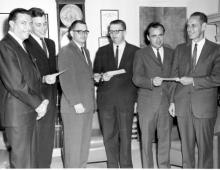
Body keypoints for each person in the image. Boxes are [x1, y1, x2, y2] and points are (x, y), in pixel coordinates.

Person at [169, 12, 220, 168]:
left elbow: (218, 77)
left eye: (193, 25)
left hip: (204, 108)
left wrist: (193, 81)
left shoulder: (216, 49)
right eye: (188, 26)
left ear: (204, 26)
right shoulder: (180, 49)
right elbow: (174, 76)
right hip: (182, 105)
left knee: (205, 151)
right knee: (187, 150)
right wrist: (171, 100)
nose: (189, 29)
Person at [0, 8, 49, 168]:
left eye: (29, 23)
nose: (28, 27)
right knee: (22, 163)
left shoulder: (21, 45)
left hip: (28, 111)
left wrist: (40, 102)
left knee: (31, 160)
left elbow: (32, 79)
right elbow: (16, 83)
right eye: (23, 23)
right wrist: (38, 103)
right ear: (11, 24)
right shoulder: (5, 46)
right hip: (18, 115)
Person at [93, 19, 139, 168]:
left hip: (126, 100)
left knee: (125, 137)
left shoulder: (136, 51)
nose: (113, 34)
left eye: (117, 31)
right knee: (109, 136)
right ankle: (112, 165)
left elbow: (138, 77)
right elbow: (96, 75)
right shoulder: (102, 51)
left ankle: (126, 166)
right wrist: (99, 77)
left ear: (124, 31)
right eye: (111, 31)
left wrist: (137, 100)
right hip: (105, 100)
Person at [132, 22, 174, 168]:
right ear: (148, 37)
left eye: (160, 35)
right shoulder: (140, 54)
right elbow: (136, 78)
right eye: (154, 36)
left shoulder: (171, 53)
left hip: (166, 103)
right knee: (146, 141)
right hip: (147, 103)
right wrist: (151, 82)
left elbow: (174, 79)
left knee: (165, 140)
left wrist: (173, 101)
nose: (158, 39)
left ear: (164, 35)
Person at [58, 20, 95, 168]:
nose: (83, 34)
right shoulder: (66, 51)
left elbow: (83, 76)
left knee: (83, 144)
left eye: (85, 31)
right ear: (71, 33)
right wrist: (76, 103)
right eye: (79, 31)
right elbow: (66, 79)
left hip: (87, 104)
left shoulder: (85, 51)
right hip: (74, 106)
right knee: (73, 147)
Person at [24, 7, 57, 168]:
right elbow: (23, 75)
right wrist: (43, 78)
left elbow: (53, 68)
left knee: (47, 139)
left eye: (44, 23)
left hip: (51, 97)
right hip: (34, 100)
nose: (43, 28)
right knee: (34, 141)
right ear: (30, 25)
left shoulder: (50, 43)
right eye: (38, 25)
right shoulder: (24, 43)